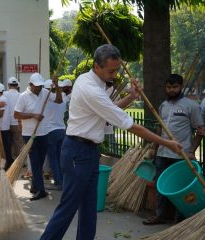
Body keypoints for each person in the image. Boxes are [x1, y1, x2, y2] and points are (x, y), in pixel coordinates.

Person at [40, 44, 182, 240]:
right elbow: (131, 126)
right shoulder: (90, 88)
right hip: (77, 152)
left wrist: (131, 97)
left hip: (89, 152)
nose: (114, 75)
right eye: (111, 70)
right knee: (68, 207)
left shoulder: (89, 80)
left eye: (116, 69)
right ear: (97, 66)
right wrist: (167, 143)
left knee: (89, 208)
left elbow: (108, 109)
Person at [142, 74, 204, 225]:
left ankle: (180, 219)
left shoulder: (191, 106)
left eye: (175, 87)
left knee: (179, 188)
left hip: (180, 155)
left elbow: (200, 131)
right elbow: (159, 130)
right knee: (160, 185)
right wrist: (154, 149)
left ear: (181, 87)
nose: (171, 90)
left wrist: (191, 151)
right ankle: (160, 215)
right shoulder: (163, 105)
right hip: (162, 153)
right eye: (169, 87)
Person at [14, 73, 63, 201]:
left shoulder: (45, 93)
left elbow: (59, 100)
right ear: (30, 85)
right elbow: (16, 114)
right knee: (35, 162)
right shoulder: (23, 96)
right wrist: (33, 115)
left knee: (40, 162)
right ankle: (41, 190)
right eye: (36, 86)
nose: (39, 88)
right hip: (29, 135)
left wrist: (57, 85)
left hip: (44, 133)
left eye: (40, 86)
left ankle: (35, 186)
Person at [43, 79, 66, 190]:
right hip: (62, 130)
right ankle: (62, 180)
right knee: (59, 158)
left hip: (50, 131)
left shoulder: (48, 98)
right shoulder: (65, 98)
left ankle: (58, 182)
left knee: (53, 159)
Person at [0, 82, 13, 170]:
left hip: (3, 126)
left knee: (5, 146)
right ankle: (7, 162)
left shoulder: (2, 99)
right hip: (3, 126)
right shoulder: (0, 99)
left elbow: (0, 114)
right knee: (5, 145)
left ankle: (8, 163)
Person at [3, 77, 23, 159]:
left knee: (8, 143)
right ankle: (20, 160)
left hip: (6, 123)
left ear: (8, 85)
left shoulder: (4, 94)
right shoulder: (20, 95)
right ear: (17, 85)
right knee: (18, 142)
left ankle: (10, 160)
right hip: (17, 122)